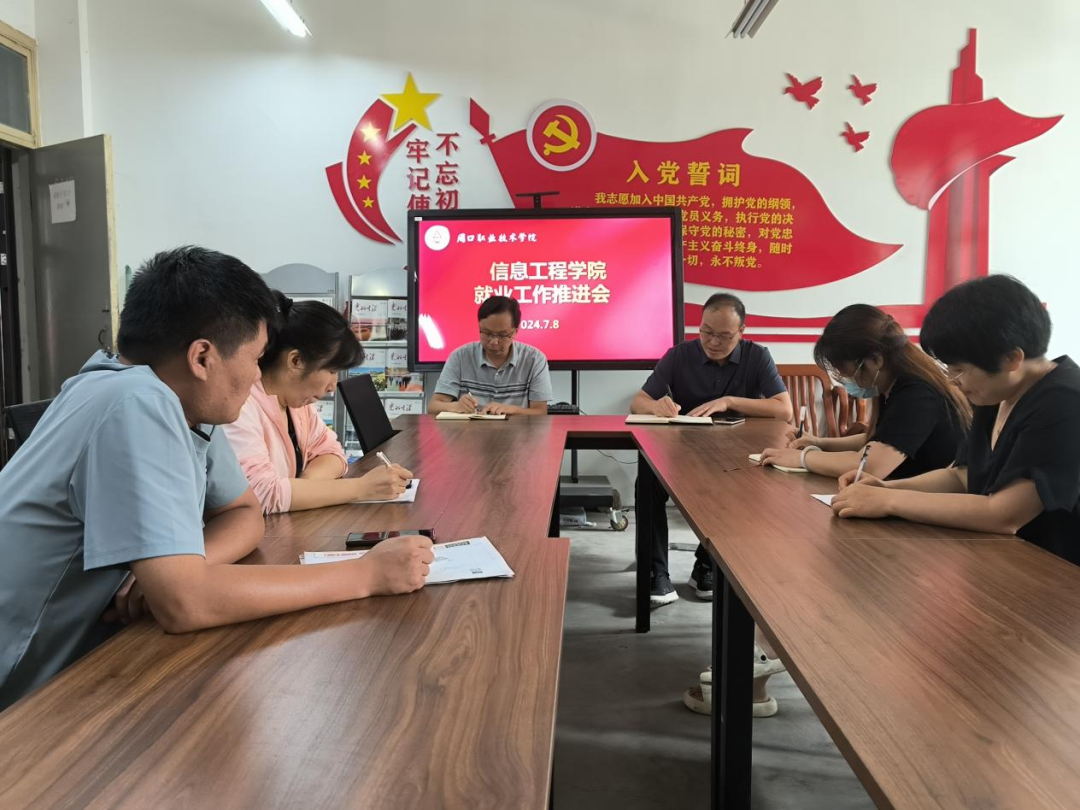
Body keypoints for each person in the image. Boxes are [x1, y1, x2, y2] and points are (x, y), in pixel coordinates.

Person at [0, 246, 433, 710]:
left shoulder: (183, 402)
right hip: (27, 693)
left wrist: (187, 566)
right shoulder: (137, 402)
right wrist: (365, 574)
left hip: (92, 657)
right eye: (255, 358)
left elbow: (244, 511)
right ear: (202, 357)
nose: (257, 376)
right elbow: (186, 604)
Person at [832, 275, 1080, 566]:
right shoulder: (996, 391)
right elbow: (961, 476)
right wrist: (886, 489)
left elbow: (1004, 515)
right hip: (999, 558)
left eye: (959, 369)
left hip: (1054, 571)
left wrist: (888, 502)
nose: (951, 380)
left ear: (1011, 359)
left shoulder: (1066, 401)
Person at [631, 292, 792, 605]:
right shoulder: (679, 355)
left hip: (735, 454)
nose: (713, 342)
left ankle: (707, 565)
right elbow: (639, 401)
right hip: (681, 453)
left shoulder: (757, 356)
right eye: (706, 331)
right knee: (646, 483)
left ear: (741, 332)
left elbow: (783, 409)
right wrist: (656, 406)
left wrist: (729, 401)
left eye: (724, 336)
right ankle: (655, 572)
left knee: (742, 486)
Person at [224, 292, 412, 514]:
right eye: (331, 370)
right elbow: (262, 494)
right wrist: (361, 488)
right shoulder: (238, 407)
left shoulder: (298, 403)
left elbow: (332, 452)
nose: (333, 385)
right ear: (296, 361)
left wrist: (303, 488)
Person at [758, 304, 971, 479]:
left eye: (846, 370)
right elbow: (879, 441)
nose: (844, 378)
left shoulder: (917, 394)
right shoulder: (891, 386)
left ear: (875, 360)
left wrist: (804, 458)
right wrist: (820, 443)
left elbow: (871, 466)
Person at [428, 295, 552, 416]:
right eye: (486, 333)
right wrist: (456, 406)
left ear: (515, 331)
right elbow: (433, 407)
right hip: (470, 430)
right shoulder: (459, 357)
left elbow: (540, 412)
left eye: (502, 335)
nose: (494, 342)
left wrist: (509, 409)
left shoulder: (535, 359)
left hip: (516, 429)